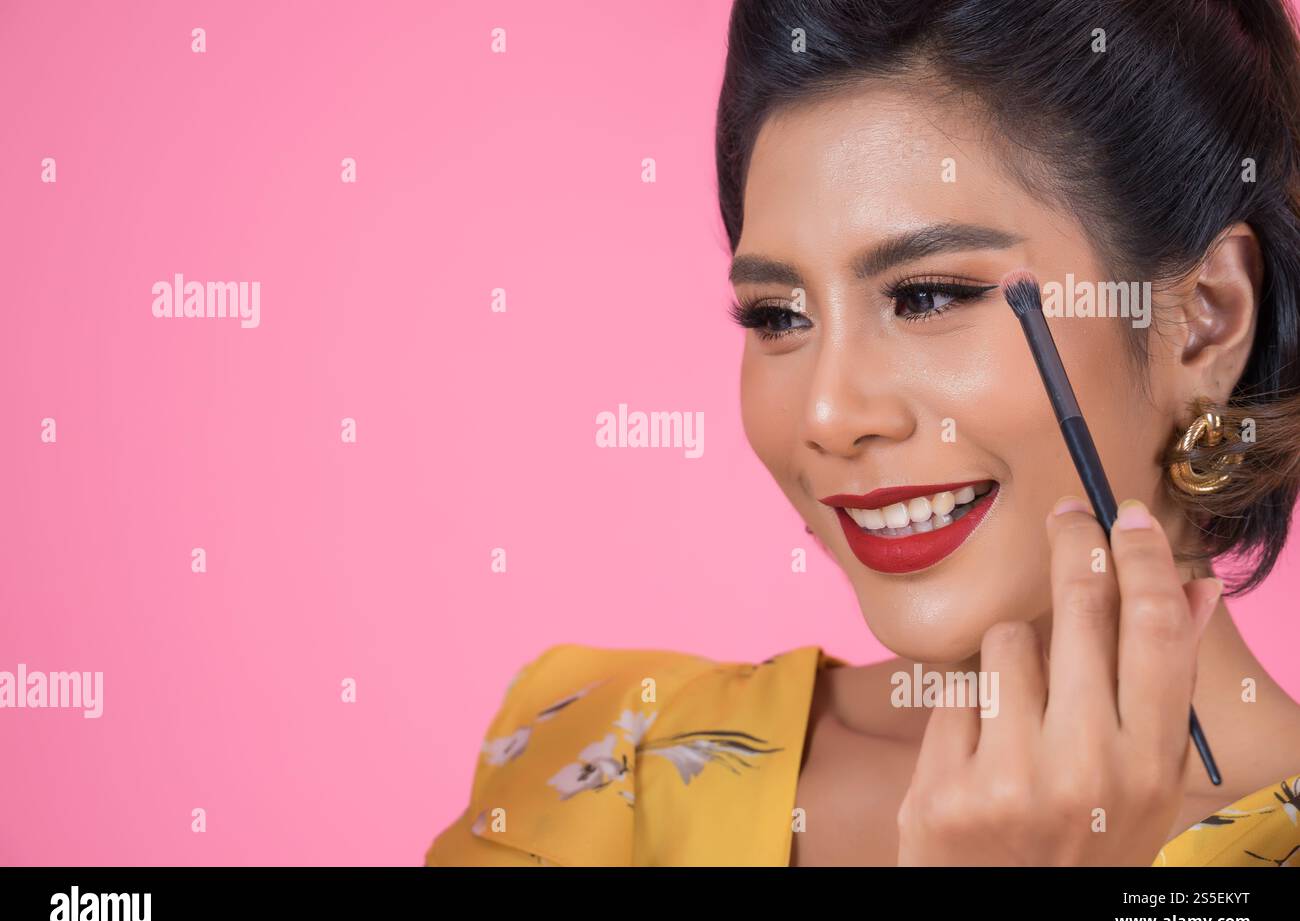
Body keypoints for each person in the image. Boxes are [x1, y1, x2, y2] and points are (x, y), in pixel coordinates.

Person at [426, 0, 1300, 866]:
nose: (828, 416)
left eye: (927, 296)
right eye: (779, 314)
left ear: (1206, 318)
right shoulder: (609, 769)